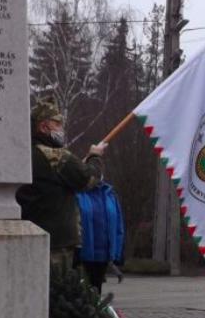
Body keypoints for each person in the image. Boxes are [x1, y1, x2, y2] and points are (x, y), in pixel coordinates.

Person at [17, 100, 106, 271]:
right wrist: (95, 157)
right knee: (57, 291)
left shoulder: (23, 153)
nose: (61, 128)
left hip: (29, 234)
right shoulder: (55, 156)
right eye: (57, 123)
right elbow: (88, 179)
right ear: (43, 127)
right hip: (57, 243)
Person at [76, 181, 125, 294]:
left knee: (96, 292)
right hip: (82, 255)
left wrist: (116, 254)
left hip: (103, 256)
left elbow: (118, 226)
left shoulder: (110, 195)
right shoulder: (78, 195)